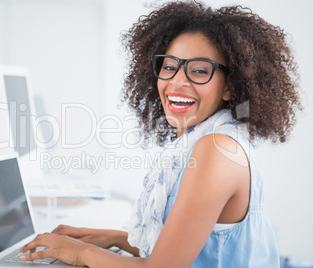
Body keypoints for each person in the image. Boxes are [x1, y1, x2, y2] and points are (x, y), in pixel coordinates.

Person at [19, 1, 301, 267]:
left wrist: (82, 253)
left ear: (230, 87)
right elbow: (193, 248)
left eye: (200, 70)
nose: (177, 81)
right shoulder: (205, 139)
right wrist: (114, 238)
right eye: (169, 66)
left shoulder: (217, 149)